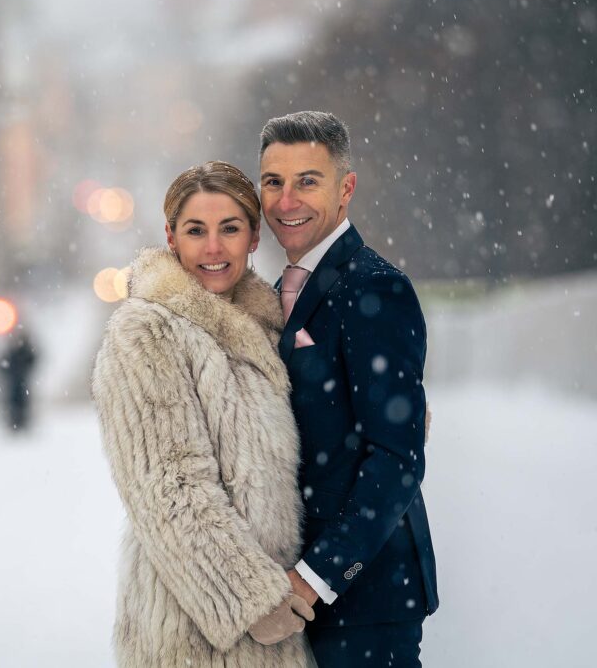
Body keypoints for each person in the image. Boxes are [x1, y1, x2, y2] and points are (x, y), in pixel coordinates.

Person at [92, 161, 316, 667]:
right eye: (196, 231)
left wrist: (385, 416)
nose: (213, 249)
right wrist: (250, 601)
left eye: (230, 229)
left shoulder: (272, 326)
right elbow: (169, 487)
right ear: (171, 238)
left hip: (287, 616)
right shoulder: (147, 331)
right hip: (196, 631)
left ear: (254, 236)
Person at [258, 111, 439, 667]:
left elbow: (396, 460)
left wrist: (311, 581)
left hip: (365, 600)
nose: (287, 202)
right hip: (296, 601)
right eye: (273, 182)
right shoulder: (274, 295)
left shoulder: (375, 287)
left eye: (307, 181)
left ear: (346, 188)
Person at [0, 329, 36, 432]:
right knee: (14, 403)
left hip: (20, 382)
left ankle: (21, 422)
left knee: (21, 403)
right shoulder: (12, 352)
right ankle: (15, 422)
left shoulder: (22, 351)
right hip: (15, 383)